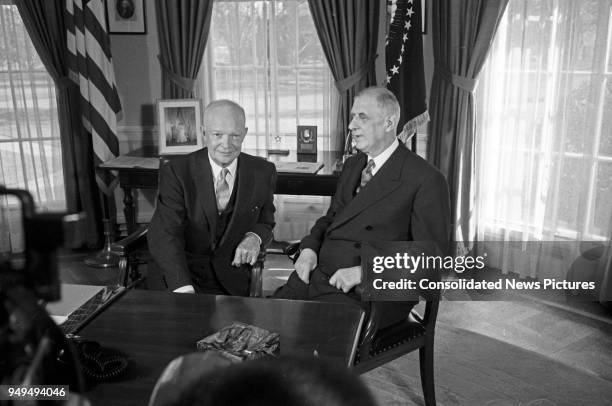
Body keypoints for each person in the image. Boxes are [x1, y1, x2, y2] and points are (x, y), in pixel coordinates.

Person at [274, 86, 450, 328]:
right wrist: (308, 249)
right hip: (317, 273)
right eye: (353, 116)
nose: (351, 125)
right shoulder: (353, 165)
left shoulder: (425, 179)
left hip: (371, 292)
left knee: (308, 342)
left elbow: (430, 258)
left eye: (362, 117)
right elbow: (331, 219)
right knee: (265, 327)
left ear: (389, 123)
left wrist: (363, 272)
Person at [147, 100, 277, 295]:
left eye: (235, 135)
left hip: (232, 276)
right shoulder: (177, 171)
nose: (226, 145)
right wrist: (183, 287)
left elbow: (266, 221)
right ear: (203, 132)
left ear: (245, 133)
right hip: (182, 274)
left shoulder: (263, 171)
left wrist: (254, 237)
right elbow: (166, 234)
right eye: (218, 135)